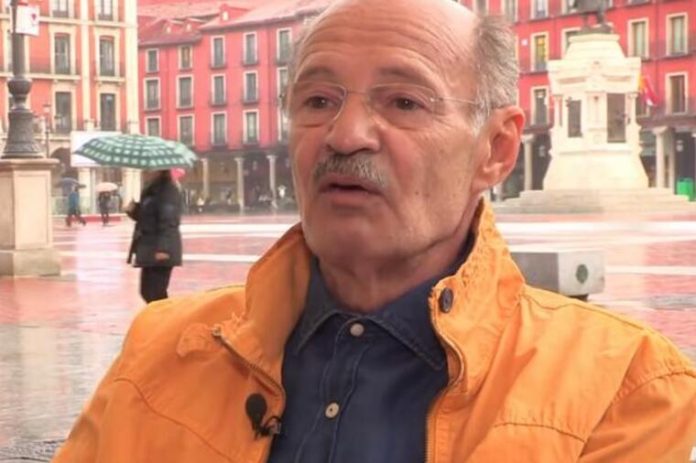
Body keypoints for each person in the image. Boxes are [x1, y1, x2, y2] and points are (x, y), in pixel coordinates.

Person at [54, 1, 696, 461]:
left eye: (404, 102)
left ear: (496, 149)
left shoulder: (626, 387)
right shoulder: (158, 352)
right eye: (318, 101)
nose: (346, 135)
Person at [124, 169, 182, 303]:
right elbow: (147, 218)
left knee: (155, 293)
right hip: (149, 247)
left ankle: (167, 316)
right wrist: (134, 210)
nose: (146, 171)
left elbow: (169, 220)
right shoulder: (151, 189)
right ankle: (163, 315)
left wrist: (163, 249)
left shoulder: (168, 190)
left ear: (160, 170)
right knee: (147, 292)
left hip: (160, 249)